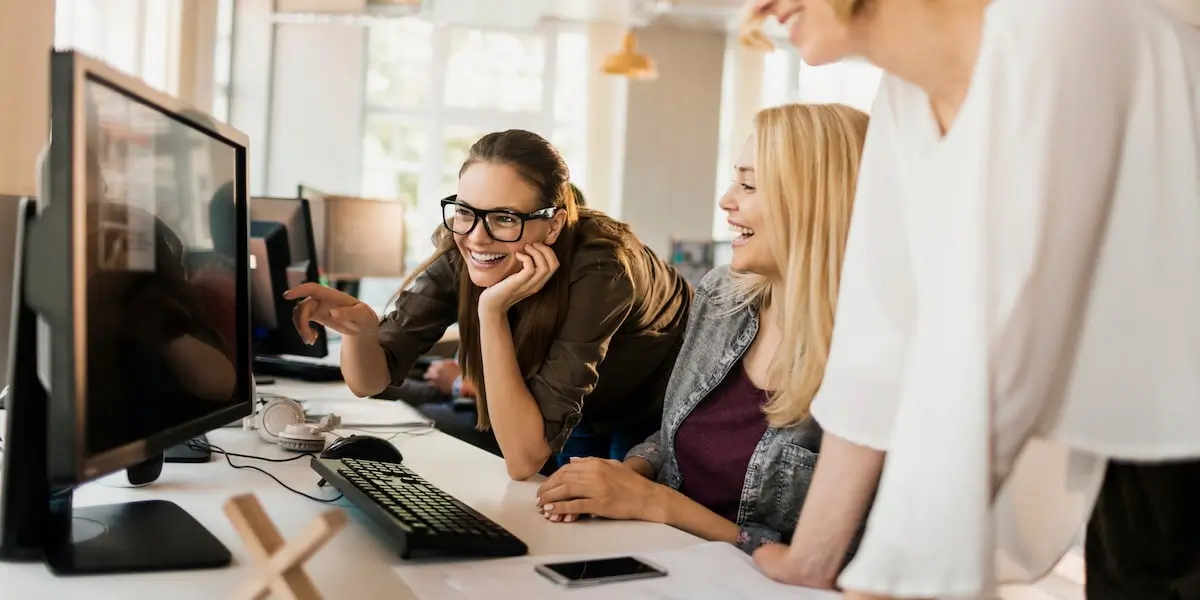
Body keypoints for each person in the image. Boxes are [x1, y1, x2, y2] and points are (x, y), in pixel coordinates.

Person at [741, 1, 1200, 599]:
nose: (755, 7)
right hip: (1147, 434)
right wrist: (815, 557)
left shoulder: (1063, 27)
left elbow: (1004, 341)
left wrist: (893, 576)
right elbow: (879, 339)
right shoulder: (905, 98)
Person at [535, 103, 870, 561]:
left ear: (816, 202)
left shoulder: (872, 354)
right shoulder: (721, 296)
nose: (727, 200)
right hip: (669, 561)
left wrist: (655, 503)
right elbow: (676, 437)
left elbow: (838, 560)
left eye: (749, 185)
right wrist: (628, 473)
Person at [285, 130, 692, 480]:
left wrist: (491, 312)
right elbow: (368, 382)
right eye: (465, 211)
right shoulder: (462, 244)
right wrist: (362, 333)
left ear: (553, 223)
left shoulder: (602, 268)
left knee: (607, 518)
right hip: (579, 399)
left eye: (504, 218)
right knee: (556, 502)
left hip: (652, 395)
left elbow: (523, 459)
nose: (478, 237)